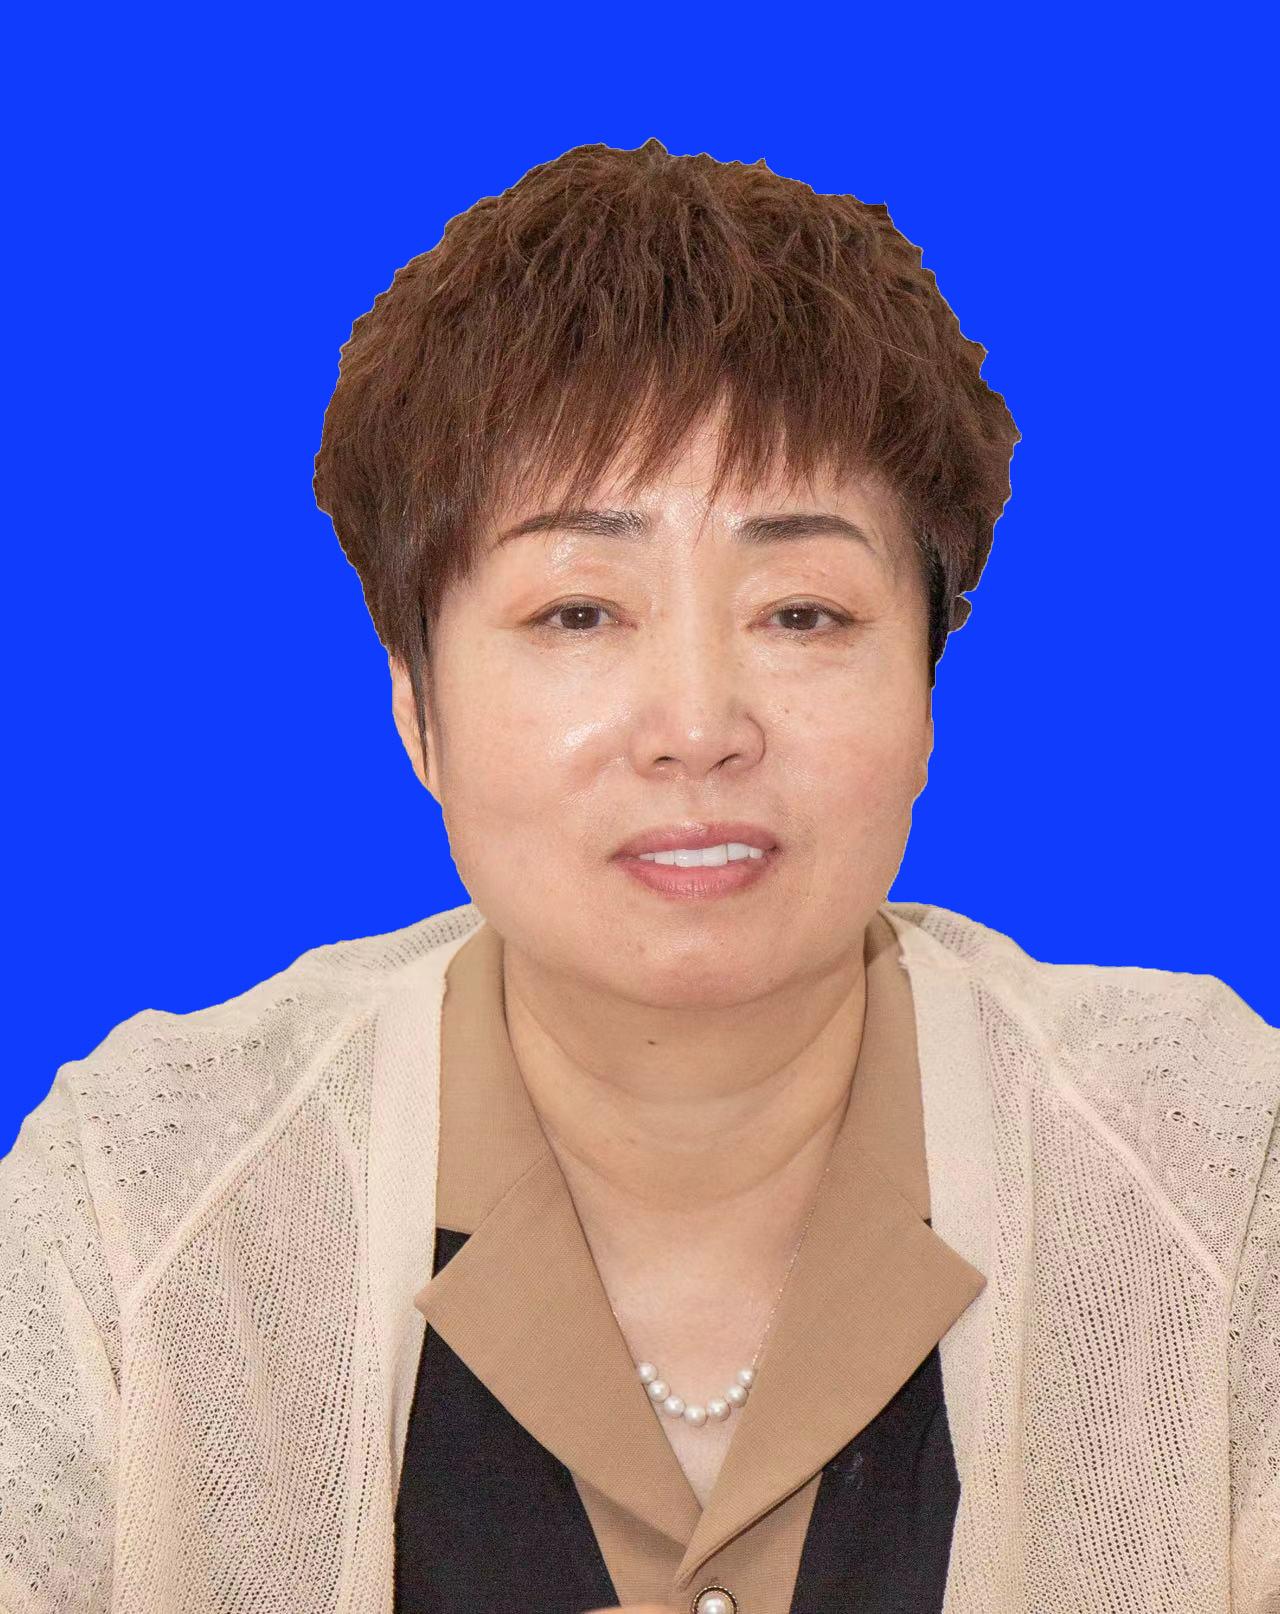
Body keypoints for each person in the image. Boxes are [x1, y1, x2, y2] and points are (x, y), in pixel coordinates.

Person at [2, 140, 1276, 1614]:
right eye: (579, 613)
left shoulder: (1220, 1178)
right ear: (415, 702)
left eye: (802, 613)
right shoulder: (140, 1216)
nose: (697, 727)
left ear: (928, 685)